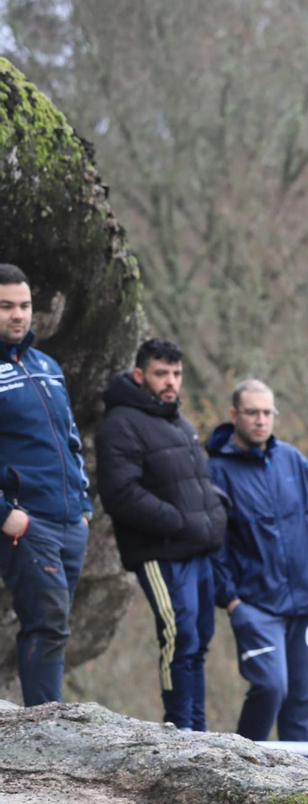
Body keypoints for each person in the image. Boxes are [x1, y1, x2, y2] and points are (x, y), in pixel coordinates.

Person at [96, 338, 226, 730]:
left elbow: (194, 483)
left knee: (199, 641)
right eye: (161, 373)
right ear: (140, 375)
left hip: (198, 550)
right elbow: (120, 495)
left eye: (176, 373)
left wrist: (216, 511)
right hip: (160, 553)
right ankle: (179, 732)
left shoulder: (179, 421)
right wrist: (178, 521)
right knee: (178, 638)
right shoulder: (119, 424)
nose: (171, 381)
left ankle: (199, 735)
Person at [207, 379, 308, 742]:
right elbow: (213, 547)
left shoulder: (294, 461)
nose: (260, 420)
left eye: (267, 413)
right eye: (252, 413)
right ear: (235, 415)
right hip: (257, 607)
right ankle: (239, 768)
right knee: (271, 688)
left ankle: (302, 793)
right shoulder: (216, 472)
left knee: (302, 709)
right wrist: (233, 602)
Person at [0, 264, 94, 706]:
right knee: (48, 623)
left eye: (24, 305)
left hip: (70, 521)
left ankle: (46, 724)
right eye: (5, 306)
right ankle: (46, 730)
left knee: (59, 625)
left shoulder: (47, 367)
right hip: (26, 522)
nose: (17, 315)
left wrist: (85, 503)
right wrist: (7, 515)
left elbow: (71, 438)